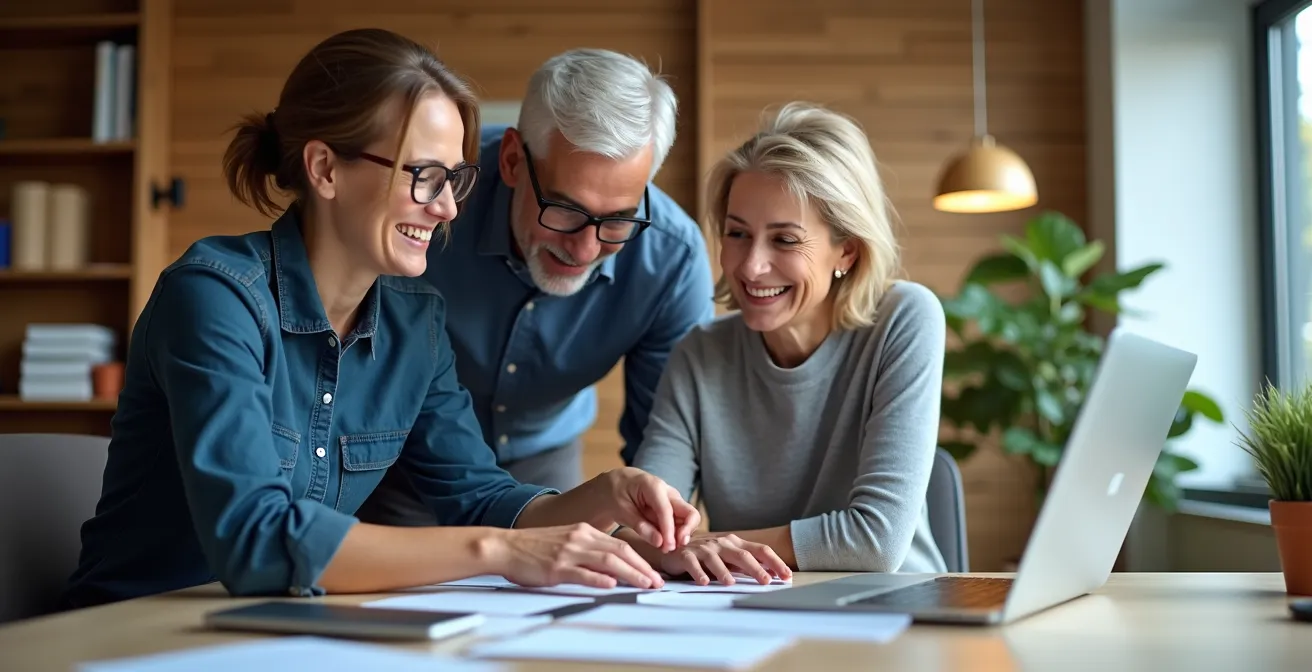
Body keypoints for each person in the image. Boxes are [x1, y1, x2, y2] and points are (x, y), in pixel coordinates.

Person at [60, 28, 700, 610]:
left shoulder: (415, 325)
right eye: (423, 176)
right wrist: (499, 553)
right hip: (132, 630)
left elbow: (478, 496)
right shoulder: (214, 297)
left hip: (270, 631)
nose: (447, 208)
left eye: (453, 179)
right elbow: (256, 539)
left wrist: (606, 493)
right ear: (324, 168)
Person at [355, 48, 715, 523]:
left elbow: (667, 433)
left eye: (618, 219)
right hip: (400, 465)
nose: (585, 250)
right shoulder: (428, 203)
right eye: (565, 209)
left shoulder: (672, 257)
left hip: (547, 475)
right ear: (511, 161)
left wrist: (653, 527)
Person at [625, 102, 949, 585]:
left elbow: (876, 543)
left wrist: (719, 544)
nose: (751, 266)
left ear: (848, 249)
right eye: (738, 233)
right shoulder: (700, 354)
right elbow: (642, 531)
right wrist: (675, 543)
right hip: (749, 606)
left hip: (897, 610)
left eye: (785, 240)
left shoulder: (904, 319)